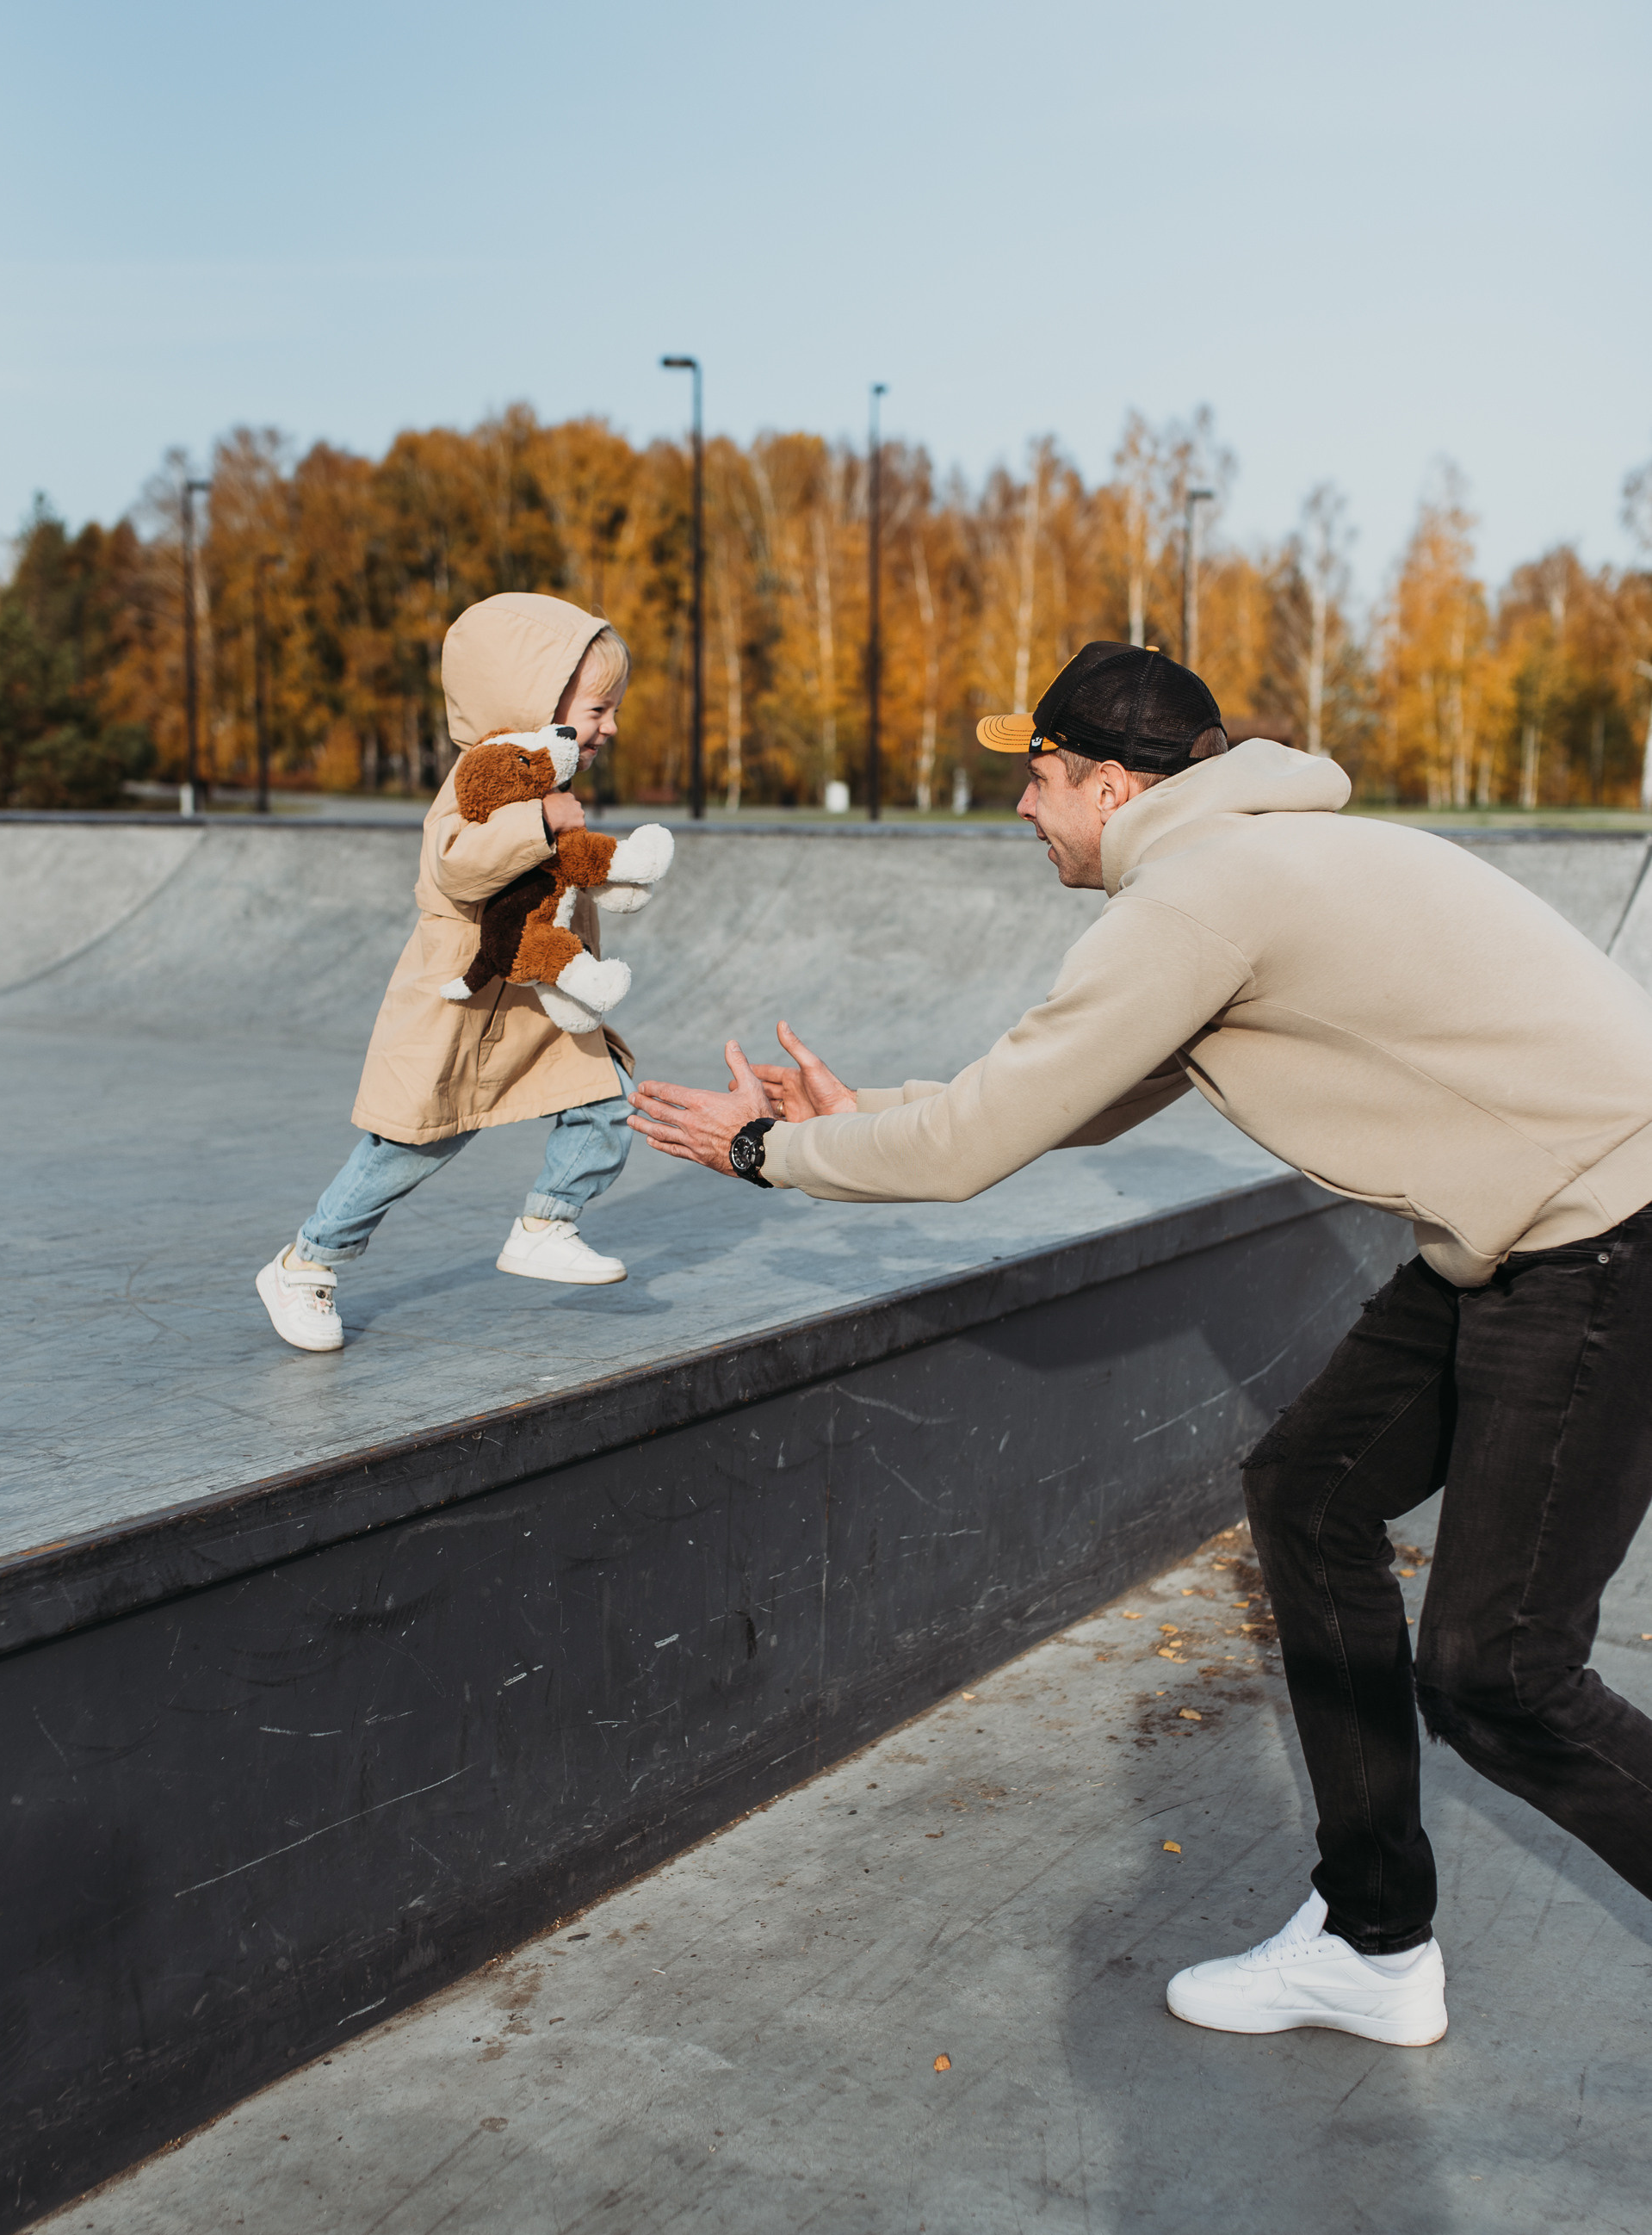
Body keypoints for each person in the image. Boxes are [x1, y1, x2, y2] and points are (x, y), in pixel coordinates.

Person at [628, 640, 1652, 2049]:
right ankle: (1369, 1939)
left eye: (1038, 776)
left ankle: (1372, 1932)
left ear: (1109, 785)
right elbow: (1072, 1096)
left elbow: (972, 1149)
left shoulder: (1196, 896)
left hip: (1601, 1240)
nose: (1022, 807)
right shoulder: (1254, 860)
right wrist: (856, 1116)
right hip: (1537, 1225)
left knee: (1498, 1674)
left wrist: (764, 1152)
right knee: (1310, 1494)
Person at [258, 594, 643, 1354]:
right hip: (461, 1003)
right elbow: (457, 867)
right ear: (536, 700)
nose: (611, 727)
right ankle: (305, 1263)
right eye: (599, 709)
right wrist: (539, 824)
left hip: (536, 998)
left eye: (614, 711)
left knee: (606, 1100)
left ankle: (545, 1224)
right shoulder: (483, 777)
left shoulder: (550, 784)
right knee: (413, 1145)